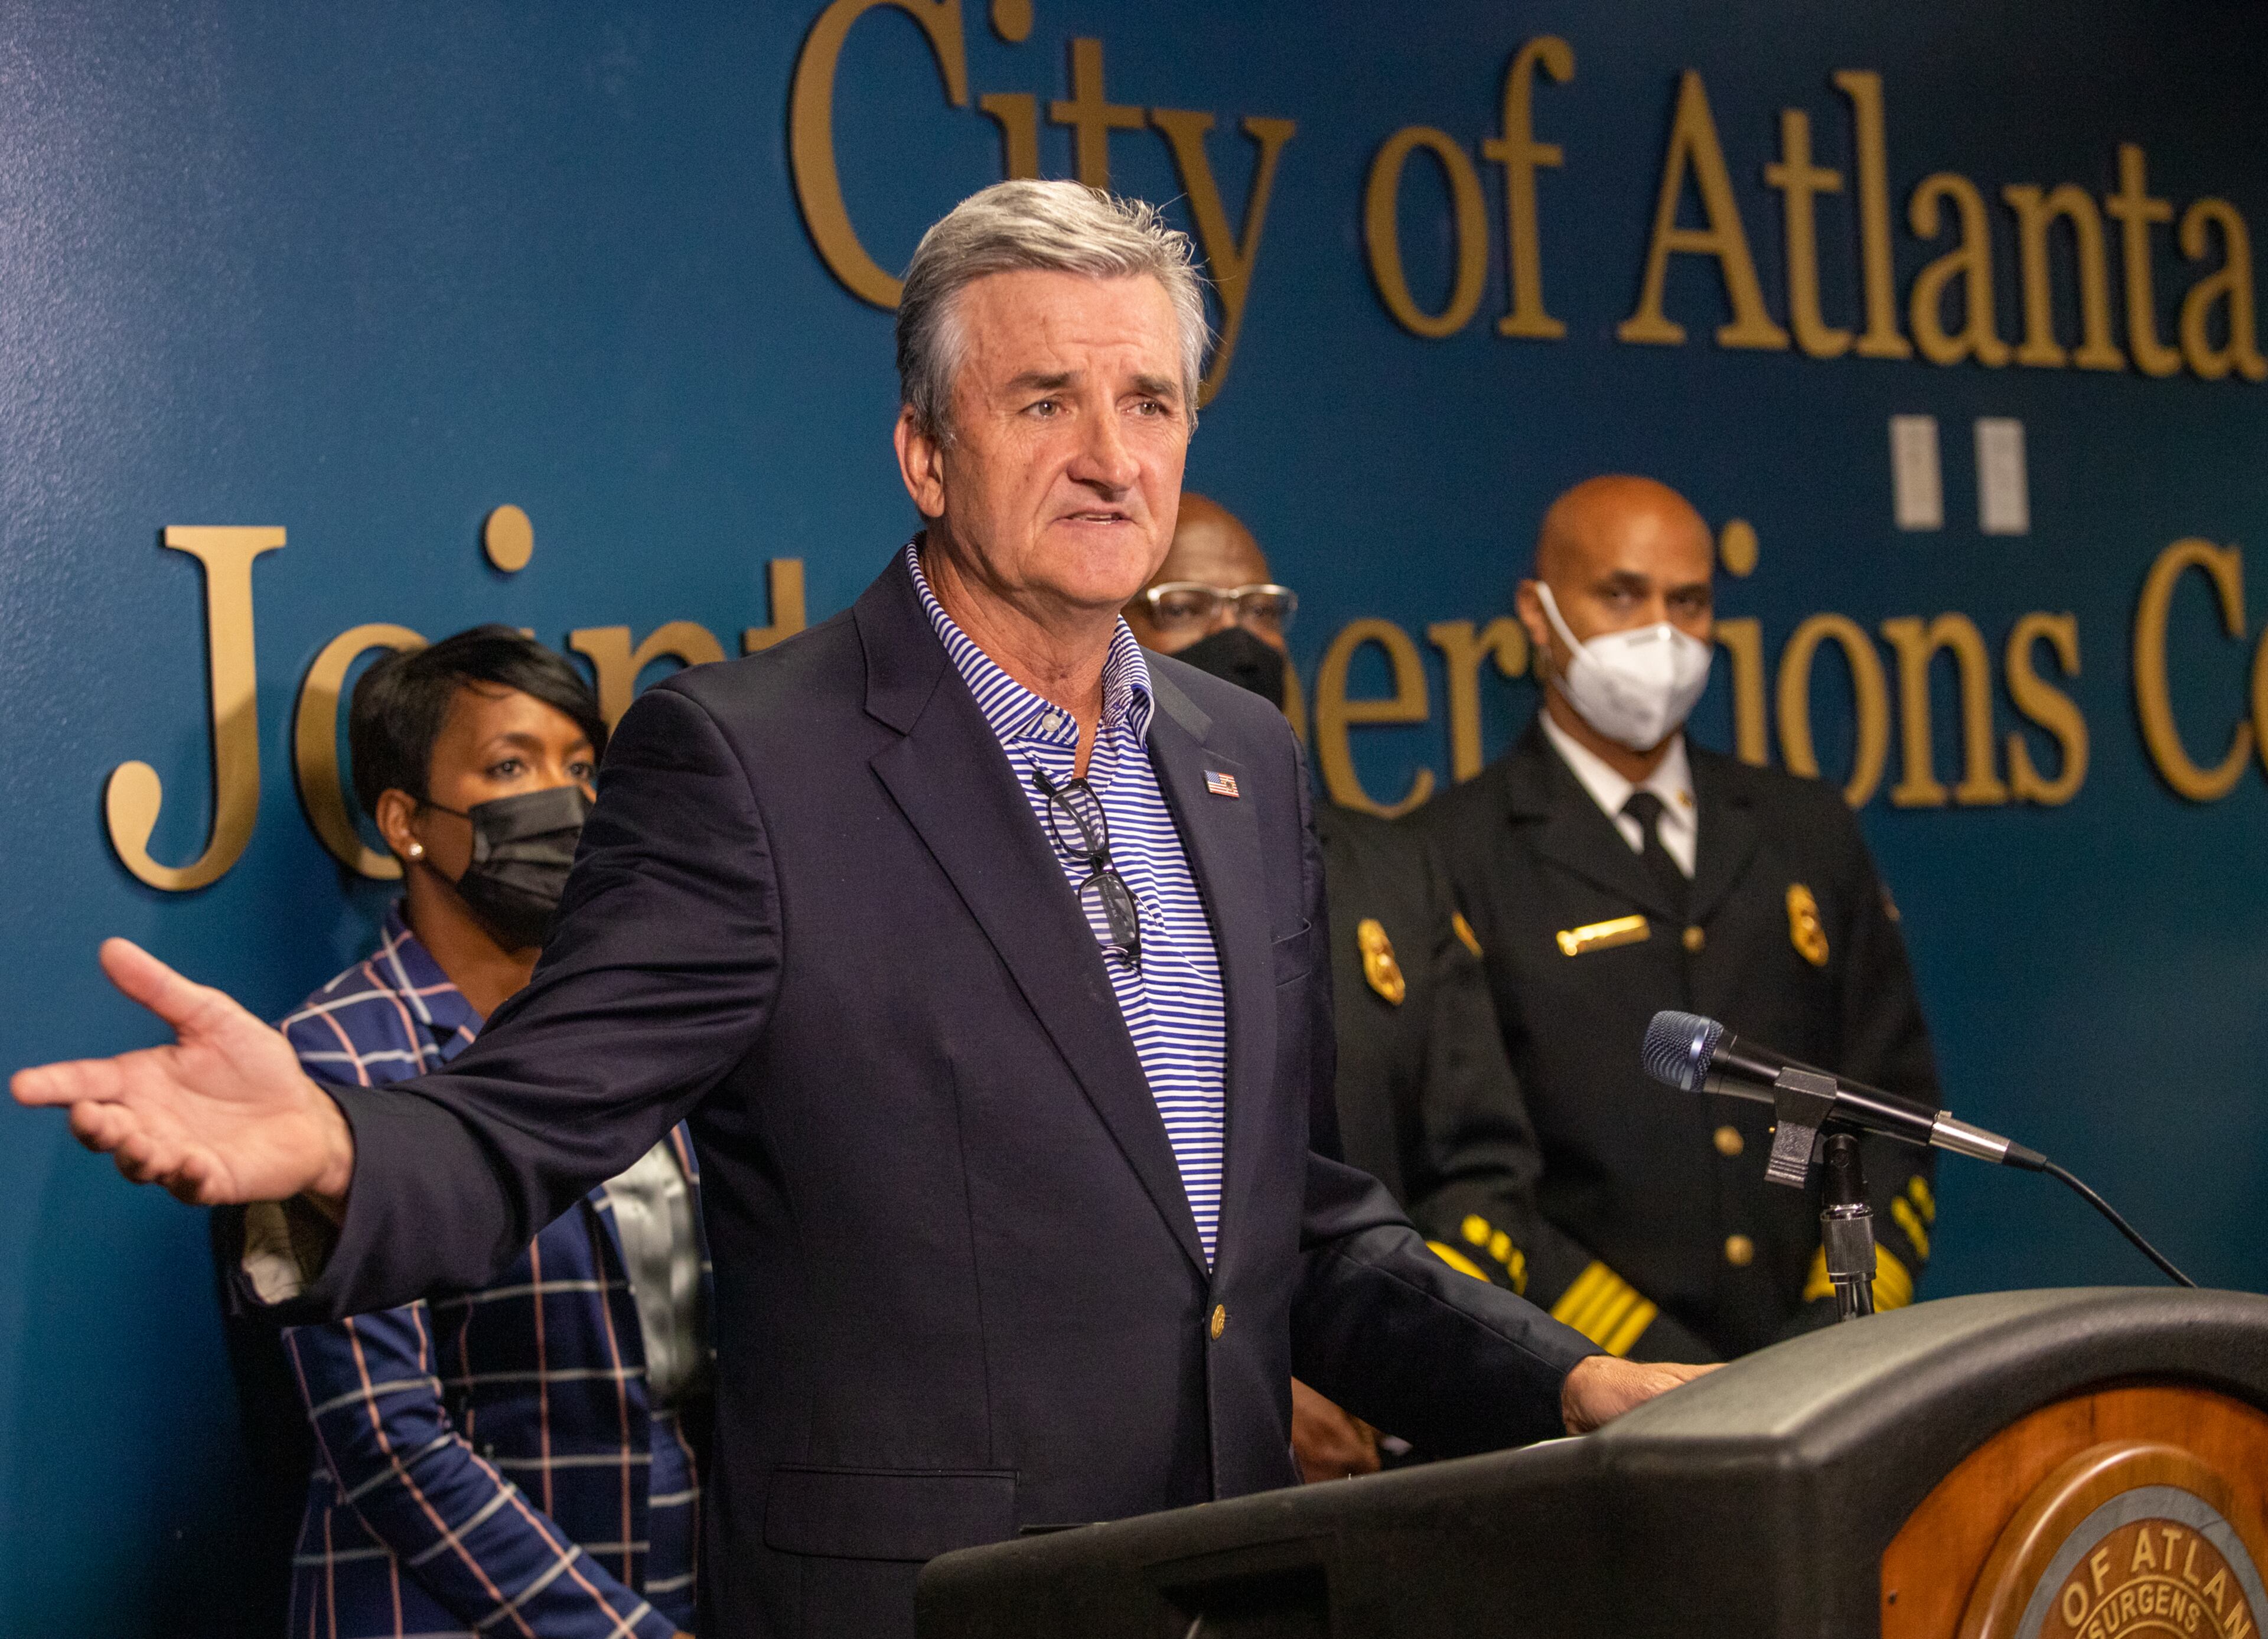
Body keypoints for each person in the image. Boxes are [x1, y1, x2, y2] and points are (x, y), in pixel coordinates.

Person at [15, 183, 1705, 1639]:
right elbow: (531, 1119)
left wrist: (1560, 1381)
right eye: (1045, 400)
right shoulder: (752, 763)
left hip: (1232, 1587)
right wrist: (327, 1148)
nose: (1115, 459)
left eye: (1153, 402)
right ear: (923, 448)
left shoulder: (1241, 756)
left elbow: (1292, 1224)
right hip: (921, 1608)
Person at [1128, 496, 1657, 1482]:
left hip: (1412, 1439)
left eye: (1261, 610)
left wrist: (1394, 1378)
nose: (1237, 638)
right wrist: (1261, 1382)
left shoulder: (1388, 872)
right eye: (1190, 607)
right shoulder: (1084, 865)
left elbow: (1481, 1162)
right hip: (1180, 1454)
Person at [1415, 475, 1940, 1362]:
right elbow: (1468, 1171)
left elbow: (1890, 1107)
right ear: (1539, 615)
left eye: (1688, 601)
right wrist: (1647, 1363)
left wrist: (1837, 1324)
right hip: (1593, 1385)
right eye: (1621, 594)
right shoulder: (1451, 855)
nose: (1661, 632)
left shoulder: (1803, 826)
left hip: (1825, 1372)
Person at [275, 627, 709, 1639]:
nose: (563, 801)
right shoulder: (334, 1058)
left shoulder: (641, 1027)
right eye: (510, 765)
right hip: (442, 1614)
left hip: (681, 1580)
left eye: (579, 767)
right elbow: (383, 1434)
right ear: (405, 822)